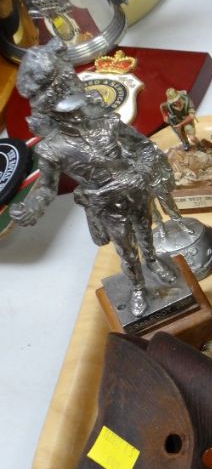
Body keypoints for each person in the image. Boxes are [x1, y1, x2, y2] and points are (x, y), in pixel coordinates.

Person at [10, 92, 176, 317]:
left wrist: (142, 173)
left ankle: (153, 262)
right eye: (68, 112)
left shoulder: (107, 124)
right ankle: (138, 287)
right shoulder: (52, 150)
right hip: (106, 203)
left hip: (135, 190)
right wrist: (33, 207)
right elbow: (47, 188)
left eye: (77, 108)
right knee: (126, 250)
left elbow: (145, 148)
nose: (76, 115)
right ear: (54, 115)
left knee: (146, 232)